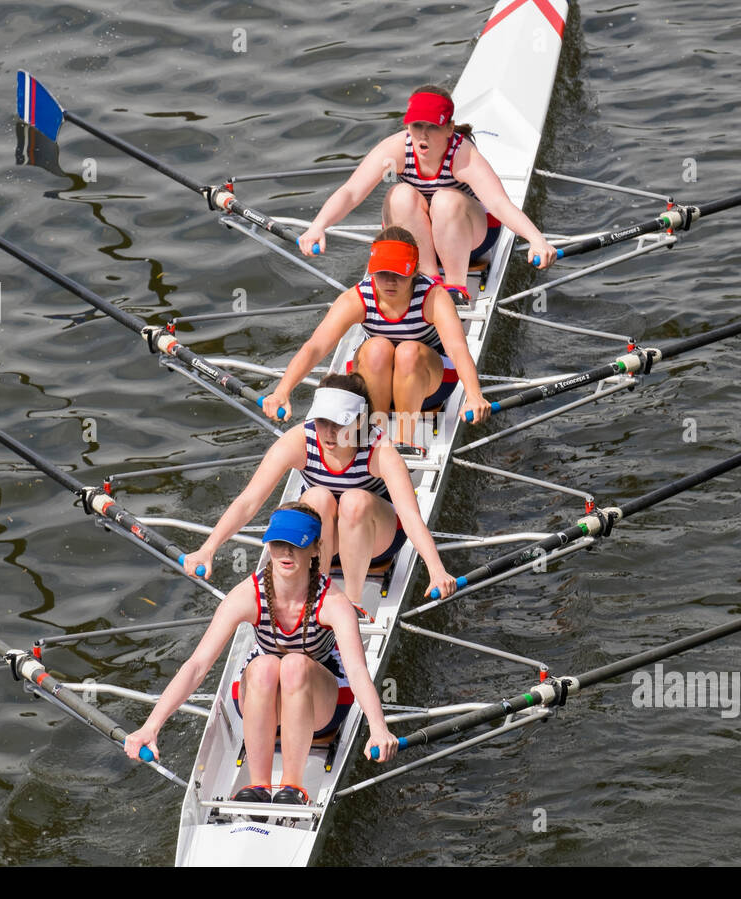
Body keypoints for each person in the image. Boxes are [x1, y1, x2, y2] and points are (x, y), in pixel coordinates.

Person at [125, 503, 398, 806]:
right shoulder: (246, 596)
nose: (285, 553)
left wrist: (378, 726)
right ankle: (258, 786)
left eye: (297, 545)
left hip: (323, 703)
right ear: (268, 544)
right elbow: (197, 666)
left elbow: (358, 671)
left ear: (317, 550)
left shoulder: (334, 602)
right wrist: (151, 725)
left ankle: (292, 788)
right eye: (279, 543)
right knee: (265, 665)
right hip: (263, 693)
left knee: (293, 665)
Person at [181, 372, 458, 607]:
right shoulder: (300, 440)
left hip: (376, 537)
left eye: (339, 423)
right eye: (323, 421)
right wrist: (208, 548)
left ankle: (350, 603)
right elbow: (249, 501)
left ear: (360, 421)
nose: (328, 432)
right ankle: (316, 597)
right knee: (317, 498)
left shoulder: (380, 450)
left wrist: (436, 569)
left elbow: (410, 515)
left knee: (353, 501)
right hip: (321, 539)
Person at [297, 85, 557, 302]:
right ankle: (429, 282)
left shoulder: (462, 155)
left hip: (472, 238)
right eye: (416, 125)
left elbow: (499, 204)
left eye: (432, 127)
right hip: (418, 235)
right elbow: (352, 192)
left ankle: (455, 288)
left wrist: (536, 240)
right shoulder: (397, 148)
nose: (423, 134)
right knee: (400, 194)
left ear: (449, 128)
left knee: (444, 200)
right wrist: (318, 226)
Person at [263, 228, 488, 447]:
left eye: (399, 273)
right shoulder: (357, 298)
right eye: (382, 273)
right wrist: (283, 390)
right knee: (376, 348)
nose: (390, 281)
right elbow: (315, 347)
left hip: (429, 381)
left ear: (415, 270)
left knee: (407, 351)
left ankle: (404, 439)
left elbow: (458, 349)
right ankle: (376, 437)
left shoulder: (434, 297)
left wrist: (474, 395)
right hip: (374, 380)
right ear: (370, 269)